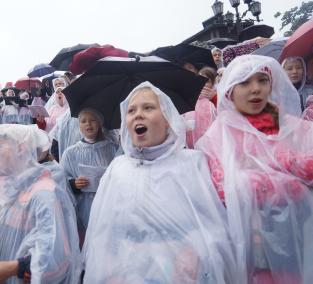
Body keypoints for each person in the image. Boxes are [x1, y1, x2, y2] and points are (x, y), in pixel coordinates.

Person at [82, 81, 237, 283]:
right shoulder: (117, 169)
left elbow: (213, 228)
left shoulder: (191, 163)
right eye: (131, 110)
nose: (138, 114)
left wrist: (194, 256)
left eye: (148, 107)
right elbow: (101, 235)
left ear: (168, 119)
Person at [196, 55, 313, 284]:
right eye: (245, 83)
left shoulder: (291, 126)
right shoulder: (218, 135)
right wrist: (280, 179)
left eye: (262, 80)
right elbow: (220, 189)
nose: (256, 89)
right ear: (229, 90)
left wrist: (285, 164)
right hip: (249, 243)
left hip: (297, 235)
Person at [0, 124, 80, 284]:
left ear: (21, 149)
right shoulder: (11, 190)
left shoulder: (44, 194)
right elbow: (10, 234)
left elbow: (54, 254)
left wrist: (14, 268)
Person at [60, 108, 117, 245]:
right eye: (83, 121)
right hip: (83, 207)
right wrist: (74, 184)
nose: (88, 124)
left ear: (99, 124)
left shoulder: (113, 149)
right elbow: (62, 180)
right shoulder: (70, 153)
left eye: (92, 120)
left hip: (108, 205)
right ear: (78, 125)